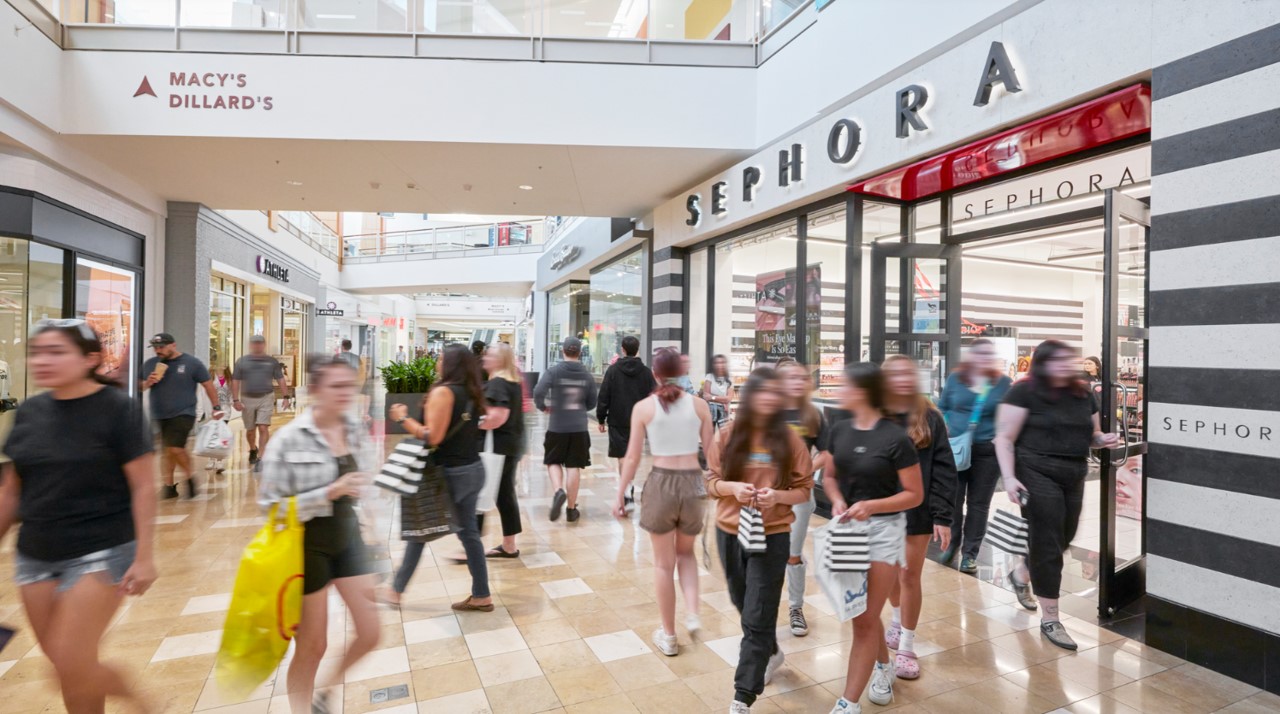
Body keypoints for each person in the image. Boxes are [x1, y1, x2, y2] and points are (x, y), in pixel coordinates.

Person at [0, 320, 157, 713]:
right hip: (35, 553)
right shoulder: (30, 412)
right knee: (66, 666)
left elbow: (143, 485)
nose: (43, 361)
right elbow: (12, 489)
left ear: (90, 359)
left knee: (71, 659)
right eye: (37, 352)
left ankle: (145, 704)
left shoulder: (118, 409)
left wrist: (145, 557)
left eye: (56, 352)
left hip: (102, 548)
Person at [259, 355, 381, 713]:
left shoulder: (354, 429)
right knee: (312, 646)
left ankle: (323, 693)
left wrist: (373, 530)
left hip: (348, 537)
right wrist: (329, 492)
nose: (346, 393)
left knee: (371, 633)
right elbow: (270, 507)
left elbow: (366, 485)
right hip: (305, 546)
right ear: (314, 390)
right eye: (337, 386)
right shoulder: (289, 439)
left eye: (350, 385)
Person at [995, 340, 1119, 651]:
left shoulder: (1082, 393)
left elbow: (1090, 436)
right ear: (1043, 363)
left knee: (1065, 536)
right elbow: (1004, 439)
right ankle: (1051, 617)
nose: (1067, 364)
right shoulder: (1023, 391)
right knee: (1048, 540)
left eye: (1069, 359)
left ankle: (1022, 572)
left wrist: (1102, 439)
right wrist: (1009, 478)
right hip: (1034, 469)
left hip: (1073, 472)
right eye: (1059, 360)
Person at [707, 368, 812, 713]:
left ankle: (742, 697)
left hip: (773, 535)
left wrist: (778, 497)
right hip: (729, 532)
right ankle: (769, 651)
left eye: (774, 393)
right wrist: (733, 489)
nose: (768, 399)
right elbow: (710, 482)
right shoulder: (728, 435)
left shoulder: (790, 440)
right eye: (761, 393)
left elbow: (804, 490)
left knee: (758, 612)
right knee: (742, 601)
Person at [821, 363, 924, 714]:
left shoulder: (895, 437)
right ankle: (882, 666)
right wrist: (836, 499)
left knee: (866, 619)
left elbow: (914, 494)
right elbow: (830, 476)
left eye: (845, 385)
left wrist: (872, 505)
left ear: (863, 391)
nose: (839, 390)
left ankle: (848, 704)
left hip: (884, 532)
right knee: (860, 613)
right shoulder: (839, 428)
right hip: (847, 531)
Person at [612, 348, 715, 657]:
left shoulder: (644, 407)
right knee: (686, 554)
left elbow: (631, 457)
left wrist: (620, 494)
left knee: (662, 563)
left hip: (661, 482)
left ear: (654, 373)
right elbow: (712, 455)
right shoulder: (700, 406)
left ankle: (668, 635)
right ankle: (693, 613)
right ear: (682, 371)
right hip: (693, 482)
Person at [384, 345, 493, 610]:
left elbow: (433, 436)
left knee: (419, 529)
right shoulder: (470, 392)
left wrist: (403, 418)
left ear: (451, 364)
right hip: (472, 468)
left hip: (451, 473)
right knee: (468, 534)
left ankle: (395, 591)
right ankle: (482, 594)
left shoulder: (444, 392)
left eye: (442, 358)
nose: (437, 361)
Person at [881, 355, 957, 680]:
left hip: (918, 511)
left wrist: (943, 516)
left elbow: (943, 469)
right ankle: (897, 618)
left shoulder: (929, 417)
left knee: (909, 575)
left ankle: (908, 645)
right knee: (888, 576)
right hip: (880, 512)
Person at [937, 338, 1013, 573]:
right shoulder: (956, 379)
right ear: (971, 356)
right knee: (955, 501)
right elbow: (942, 407)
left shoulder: (1003, 383)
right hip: (957, 449)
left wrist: (1002, 434)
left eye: (989, 354)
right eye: (980, 353)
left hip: (987, 452)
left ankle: (970, 554)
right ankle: (953, 544)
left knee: (979, 504)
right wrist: (946, 426)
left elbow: (1011, 415)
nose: (985, 357)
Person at [775, 359, 828, 638]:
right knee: (766, 553)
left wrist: (807, 468)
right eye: (788, 377)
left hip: (799, 496)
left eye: (799, 377)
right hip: (766, 495)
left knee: (792, 553)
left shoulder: (812, 414)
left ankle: (796, 607)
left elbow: (827, 452)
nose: (795, 382)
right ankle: (764, 608)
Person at [141, 333, 223, 499]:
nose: (158, 350)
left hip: (184, 412)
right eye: (155, 347)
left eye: (162, 347)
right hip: (159, 413)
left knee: (175, 448)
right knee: (167, 451)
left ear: (173, 345)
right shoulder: (151, 364)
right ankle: (169, 486)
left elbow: (208, 385)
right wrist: (147, 383)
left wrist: (216, 407)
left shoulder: (192, 363)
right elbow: (138, 386)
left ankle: (190, 477)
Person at [534, 336, 597, 522]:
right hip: (579, 427)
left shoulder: (553, 372)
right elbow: (593, 401)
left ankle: (558, 490)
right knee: (574, 466)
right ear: (580, 353)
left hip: (557, 426)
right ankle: (571, 509)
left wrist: (543, 407)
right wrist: (582, 408)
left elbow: (538, 392)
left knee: (553, 461)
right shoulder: (587, 375)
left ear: (563, 351)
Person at [597, 335, 658, 503]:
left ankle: (626, 487)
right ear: (637, 349)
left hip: (617, 419)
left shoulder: (613, 371)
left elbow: (604, 396)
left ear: (622, 350)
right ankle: (628, 484)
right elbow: (655, 396)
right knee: (634, 455)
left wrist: (601, 419)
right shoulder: (646, 372)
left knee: (622, 456)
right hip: (640, 421)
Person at [481, 343, 526, 558]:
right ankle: (509, 545)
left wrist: (470, 422)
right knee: (504, 494)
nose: (485, 358)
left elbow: (497, 418)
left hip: (498, 448)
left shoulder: (498, 384)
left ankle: (472, 546)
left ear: (500, 360)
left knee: (484, 494)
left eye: (490, 355)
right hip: (511, 445)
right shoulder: (512, 382)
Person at [232, 335, 289, 466]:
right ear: (251, 345)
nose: (257, 346)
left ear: (264, 345)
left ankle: (262, 457)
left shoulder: (271, 362)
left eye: (260, 343)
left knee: (263, 427)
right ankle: (253, 448)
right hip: (247, 398)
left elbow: (280, 379)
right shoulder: (242, 361)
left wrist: (286, 397)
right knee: (250, 430)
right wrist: (235, 400)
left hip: (266, 397)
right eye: (255, 343)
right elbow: (235, 380)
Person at [205, 367, 233, 475]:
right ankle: (211, 459)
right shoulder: (210, 376)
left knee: (221, 436)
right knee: (212, 435)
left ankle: (220, 462)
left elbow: (231, 394)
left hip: (225, 411)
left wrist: (233, 402)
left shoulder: (229, 378)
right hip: (213, 411)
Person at [699, 354, 735, 429]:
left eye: (722, 362)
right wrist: (722, 400)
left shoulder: (730, 378)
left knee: (724, 435)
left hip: (724, 412)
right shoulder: (709, 376)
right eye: (717, 363)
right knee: (709, 434)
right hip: (710, 411)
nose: (719, 365)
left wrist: (712, 397)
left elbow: (728, 398)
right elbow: (706, 396)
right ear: (713, 365)